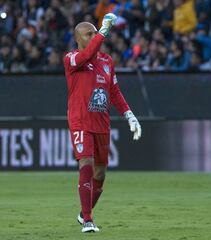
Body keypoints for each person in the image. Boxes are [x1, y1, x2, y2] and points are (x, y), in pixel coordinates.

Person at [63, 13, 142, 233]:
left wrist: (129, 115)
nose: (94, 36)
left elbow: (114, 91)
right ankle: (88, 220)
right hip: (81, 121)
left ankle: (83, 212)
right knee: (86, 164)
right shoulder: (72, 59)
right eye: (89, 34)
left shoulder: (107, 61)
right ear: (79, 39)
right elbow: (87, 55)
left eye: (95, 32)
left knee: (100, 175)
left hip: (102, 123)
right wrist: (104, 31)